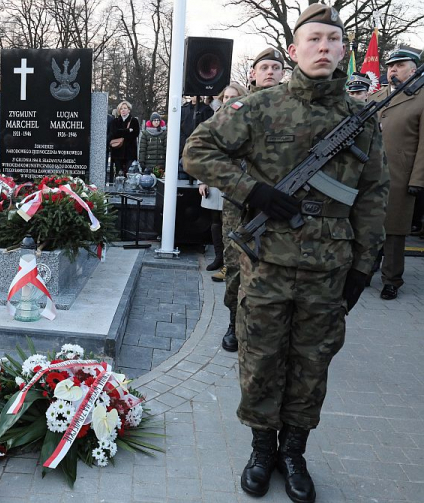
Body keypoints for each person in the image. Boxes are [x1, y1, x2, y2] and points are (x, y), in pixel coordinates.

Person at [183, 5, 388, 502]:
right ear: (294, 51)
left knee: (312, 363)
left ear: (343, 51)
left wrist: (365, 266)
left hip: (329, 269)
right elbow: (197, 151)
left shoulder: (360, 120)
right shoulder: (259, 107)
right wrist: (253, 191)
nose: (323, 47)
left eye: (332, 40)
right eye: (312, 39)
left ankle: (294, 451)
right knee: (260, 359)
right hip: (267, 264)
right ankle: (261, 449)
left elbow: (373, 193)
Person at [221, 50, 285, 354]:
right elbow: (214, 153)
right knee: (236, 263)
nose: (270, 72)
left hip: (280, 202)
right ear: (253, 73)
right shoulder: (238, 109)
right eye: (264, 67)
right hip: (239, 200)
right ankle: (234, 323)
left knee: (274, 265)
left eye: (276, 67)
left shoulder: (295, 108)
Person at [368, 45, 424, 300]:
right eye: (391, 65)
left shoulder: (421, 98)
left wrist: (418, 180)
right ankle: (367, 268)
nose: (393, 70)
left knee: (394, 231)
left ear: (413, 70)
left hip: (401, 174)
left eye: (399, 65)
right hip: (371, 173)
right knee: (368, 224)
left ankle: (391, 279)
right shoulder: (378, 96)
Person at [198, 83, 248, 278]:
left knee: (234, 223)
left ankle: (231, 264)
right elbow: (204, 152)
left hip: (237, 180)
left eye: (233, 97)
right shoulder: (214, 120)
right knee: (216, 221)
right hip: (214, 178)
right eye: (226, 97)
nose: (228, 101)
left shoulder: (247, 118)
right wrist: (202, 180)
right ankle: (219, 257)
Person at [109, 100, 140, 177]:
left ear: (129, 110)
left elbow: (135, 134)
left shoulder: (134, 121)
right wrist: (127, 131)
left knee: (129, 174)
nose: (123, 110)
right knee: (119, 174)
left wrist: (121, 133)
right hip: (117, 151)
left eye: (125, 108)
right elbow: (114, 133)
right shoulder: (115, 121)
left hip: (130, 151)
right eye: (121, 109)